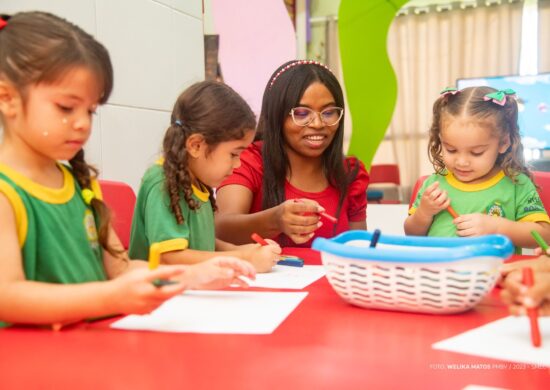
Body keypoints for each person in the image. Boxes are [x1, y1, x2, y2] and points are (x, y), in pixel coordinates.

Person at [0, 12, 256, 328]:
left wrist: (189, 276)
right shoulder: (5, 192)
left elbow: (122, 270)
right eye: (67, 107)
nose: (83, 122)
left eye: (90, 110)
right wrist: (112, 297)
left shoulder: (81, 184)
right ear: (7, 98)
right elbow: (7, 297)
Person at [128, 81, 281, 272]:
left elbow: (204, 242)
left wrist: (241, 250)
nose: (238, 164)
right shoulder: (164, 182)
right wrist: (243, 258)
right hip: (161, 298)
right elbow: (168, 259)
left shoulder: (198, 184)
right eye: (234, 154)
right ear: (196, 146)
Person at [215, 60, 369, 247]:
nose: (318, 124)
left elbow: (359, 248)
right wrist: (274, 220)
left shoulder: (350, 173)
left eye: (329, 112)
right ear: (277, 115)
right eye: (302, 113)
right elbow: (220, 228)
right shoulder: (249, 160)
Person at [404, 86, 550, 249]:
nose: (462, 162)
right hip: (438, 271)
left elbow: (544, 236)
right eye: (451, 150)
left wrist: (497, 228)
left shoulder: (516, 184)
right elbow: (411, 234)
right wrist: (424, 213)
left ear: (503, 143)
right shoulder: (434, 184)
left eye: (476, 152)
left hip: (494, 273)